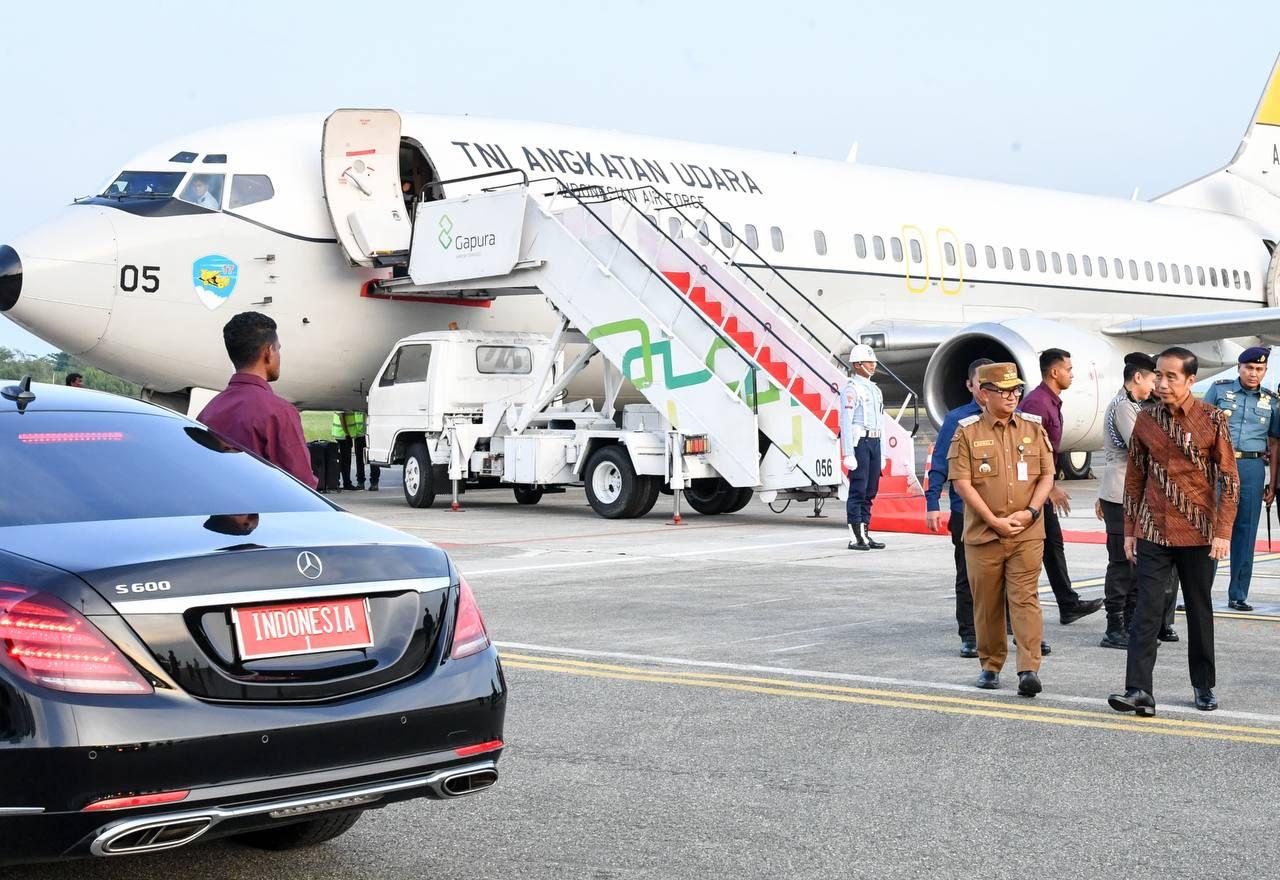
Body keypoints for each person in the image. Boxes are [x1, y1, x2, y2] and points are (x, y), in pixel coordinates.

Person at [1109, 347, 1238, 716]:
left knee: (1198, 609)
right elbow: (1135, 477)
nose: (1162, 383)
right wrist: (1130, 529)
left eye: (1171, 377)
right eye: (1159, 375)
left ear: (1190, 380)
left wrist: (1222, 531)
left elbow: (1230, 480)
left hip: (1199, 533)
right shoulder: (1146, 419)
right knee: (1146, 611)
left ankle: (1203, 685)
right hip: (1153, 531)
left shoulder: (1212, 419)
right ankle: (1138, 690)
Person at [948, 362, 1056, 696]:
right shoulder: (967, 432)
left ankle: (1029, 669)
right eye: (1004, 391)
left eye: (1016, 390)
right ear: (984, 393)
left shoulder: (1033, 428)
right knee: (988, 602)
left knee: (1025, 598)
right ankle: (991, 664)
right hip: (985, 535)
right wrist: (993, 521)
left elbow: (1047, 475)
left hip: (1027, 531)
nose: (1012, 396)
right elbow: (962, 484)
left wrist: (1031, 511)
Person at [1095, 352, 1183, 648]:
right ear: (1137, 377)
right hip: (1119, 493)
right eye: (1152, 379)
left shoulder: (1133, 405)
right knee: (1121, 563)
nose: (1155, 385)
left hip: (1133, 493)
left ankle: (1132, 622)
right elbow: (1143, 445)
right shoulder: (1123, 406)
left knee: (1134, 561)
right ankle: (1114, 626)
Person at [1018, 348, 1105, 625]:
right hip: (1031, 493)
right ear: (1054, 372)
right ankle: (1015, 613)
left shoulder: (1050, 401)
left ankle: (1068, 605)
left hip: (1042, 489)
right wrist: (1049, 487)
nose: (1072, 374)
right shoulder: (1037, 404)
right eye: (1068, 369)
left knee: (1053, 546)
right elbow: (1028, 452)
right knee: (1029, 555)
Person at [197, 311, 319, 489]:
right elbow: (302, 484)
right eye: (278, 349)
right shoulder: (279, 412)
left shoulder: (208, 412)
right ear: (268, 352)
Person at [1202, 346, 1279, 612]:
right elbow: (1201, 429)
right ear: (1239, 368)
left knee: (1245, 532)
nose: (1253, 373)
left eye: (1259, 369)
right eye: (1249, 368)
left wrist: (1272, 482)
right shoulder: (1219, 390)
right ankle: (1200, 592)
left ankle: (1238, 594)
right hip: (1218, 466)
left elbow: (1274, 443)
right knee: (1210, 530)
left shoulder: (1271, 401)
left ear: (1265, 371)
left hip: (1251, 468)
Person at [925, 357, 992, 658]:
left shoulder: (1013, 418)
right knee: (968, 575)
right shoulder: (958, 419)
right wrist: (932, 503)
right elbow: (940, 462)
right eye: (982, 384)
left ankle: (1009, 627)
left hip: (1003, 508)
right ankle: (969, 633)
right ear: (970, 385)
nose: (989, 391)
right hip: (966, 511)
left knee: (1008, 573)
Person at [841, 343, 885, 551]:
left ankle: (865, 532)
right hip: (860, 442)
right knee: (858, 488)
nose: (873, 365)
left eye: (873, 361)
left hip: (874, 441)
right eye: (868, 362)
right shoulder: (852, 388)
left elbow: (881, 422)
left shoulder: (875, 389)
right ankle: (855, 536)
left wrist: (883, 452)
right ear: (857, 365)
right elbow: (846, 421)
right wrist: (848, 453)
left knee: (871, 489)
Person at [333, 410, 380, 491]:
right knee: (360, 459)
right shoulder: (355, 404)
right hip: (359, 433)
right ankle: (362, 482)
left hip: (369, 433)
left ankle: (373, 482)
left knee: (372, 458)